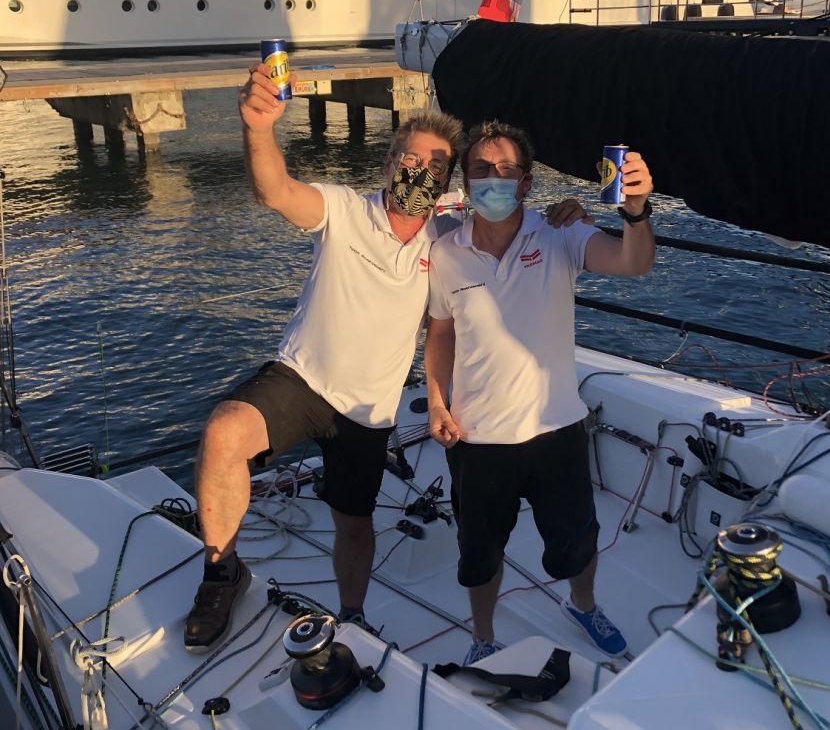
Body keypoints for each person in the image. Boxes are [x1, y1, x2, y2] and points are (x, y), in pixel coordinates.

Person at [184, 65, 587, 652]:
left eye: (436, 167)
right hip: (303, 379)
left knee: (355, 523)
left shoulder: (446, 238)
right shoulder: (343, 210)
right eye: (411, 159)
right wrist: (258, 128)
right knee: (224, 432)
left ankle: (353, 615)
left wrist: (564, 209)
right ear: (389, 162)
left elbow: (502, 219)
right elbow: (276, 190)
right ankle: (222, 574)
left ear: (448, 180)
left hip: (368, 410)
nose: (420, 172)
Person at [424, 120, 655, 666]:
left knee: (577, 541)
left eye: (507, 171)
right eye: (481, 170)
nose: (494, 180)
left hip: (557, 429)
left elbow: (633, 262)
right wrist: (436, 400)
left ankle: (583, 604)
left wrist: (638, 211)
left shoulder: (561, 233)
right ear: (465, 183)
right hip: (477, 437)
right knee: (479, 555)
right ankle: (483, 634)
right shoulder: (445, 252)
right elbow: (440, 332)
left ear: (527, 183)